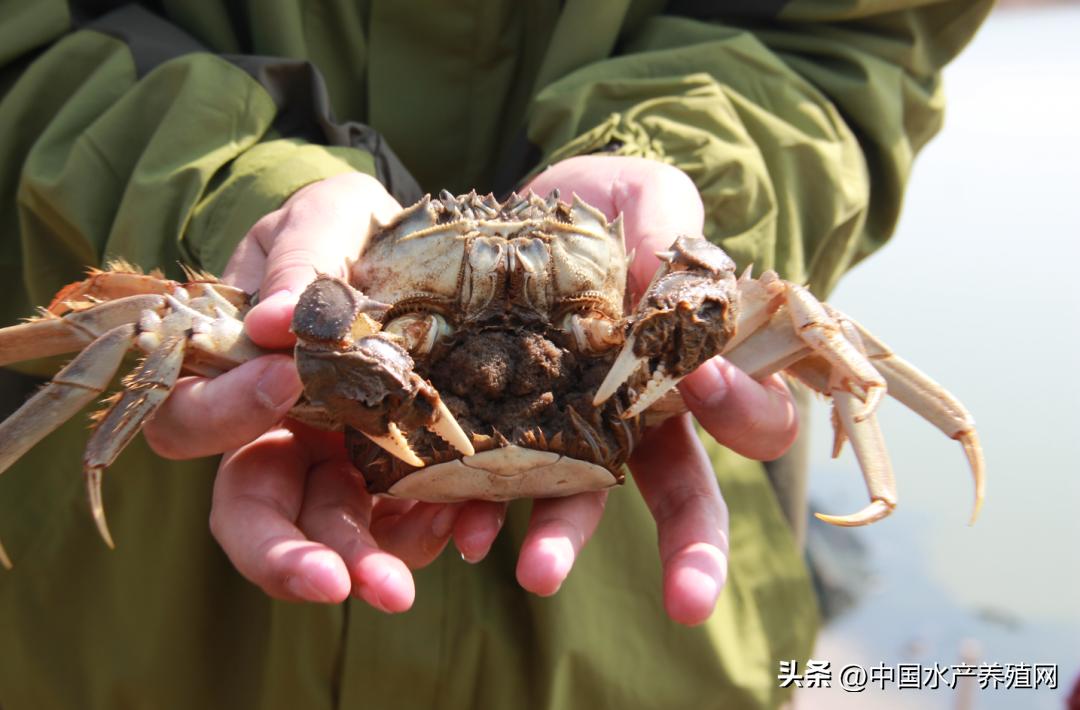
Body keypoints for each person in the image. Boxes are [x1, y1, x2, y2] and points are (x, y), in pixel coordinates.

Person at [0, 2, 992, 708]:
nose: (500, 256)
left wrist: (686, 171)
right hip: (142, 635)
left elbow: (854, 31)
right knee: (150, 318)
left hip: (637, 651)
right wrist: (236, 197)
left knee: (804, 316)